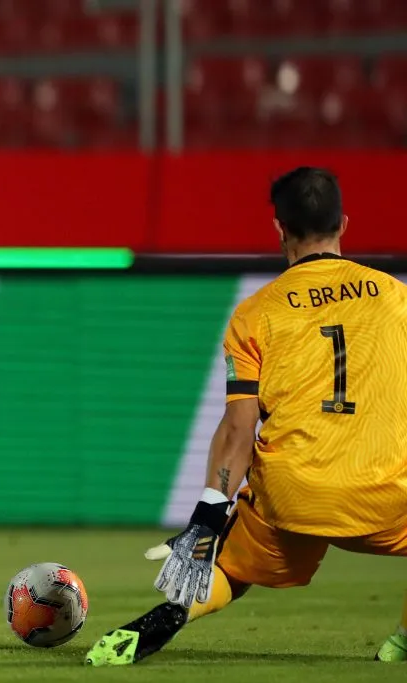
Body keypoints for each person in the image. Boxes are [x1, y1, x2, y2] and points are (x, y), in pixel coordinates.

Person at [84, 167, 407, 666]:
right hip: (385, 495)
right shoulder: (395, 298)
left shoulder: (256, 314)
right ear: (344, 223)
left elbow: (238, 429)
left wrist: (208, 515)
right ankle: (402, 643)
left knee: (233, 567)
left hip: (293, 498)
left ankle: (159, 623)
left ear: (279, 229)